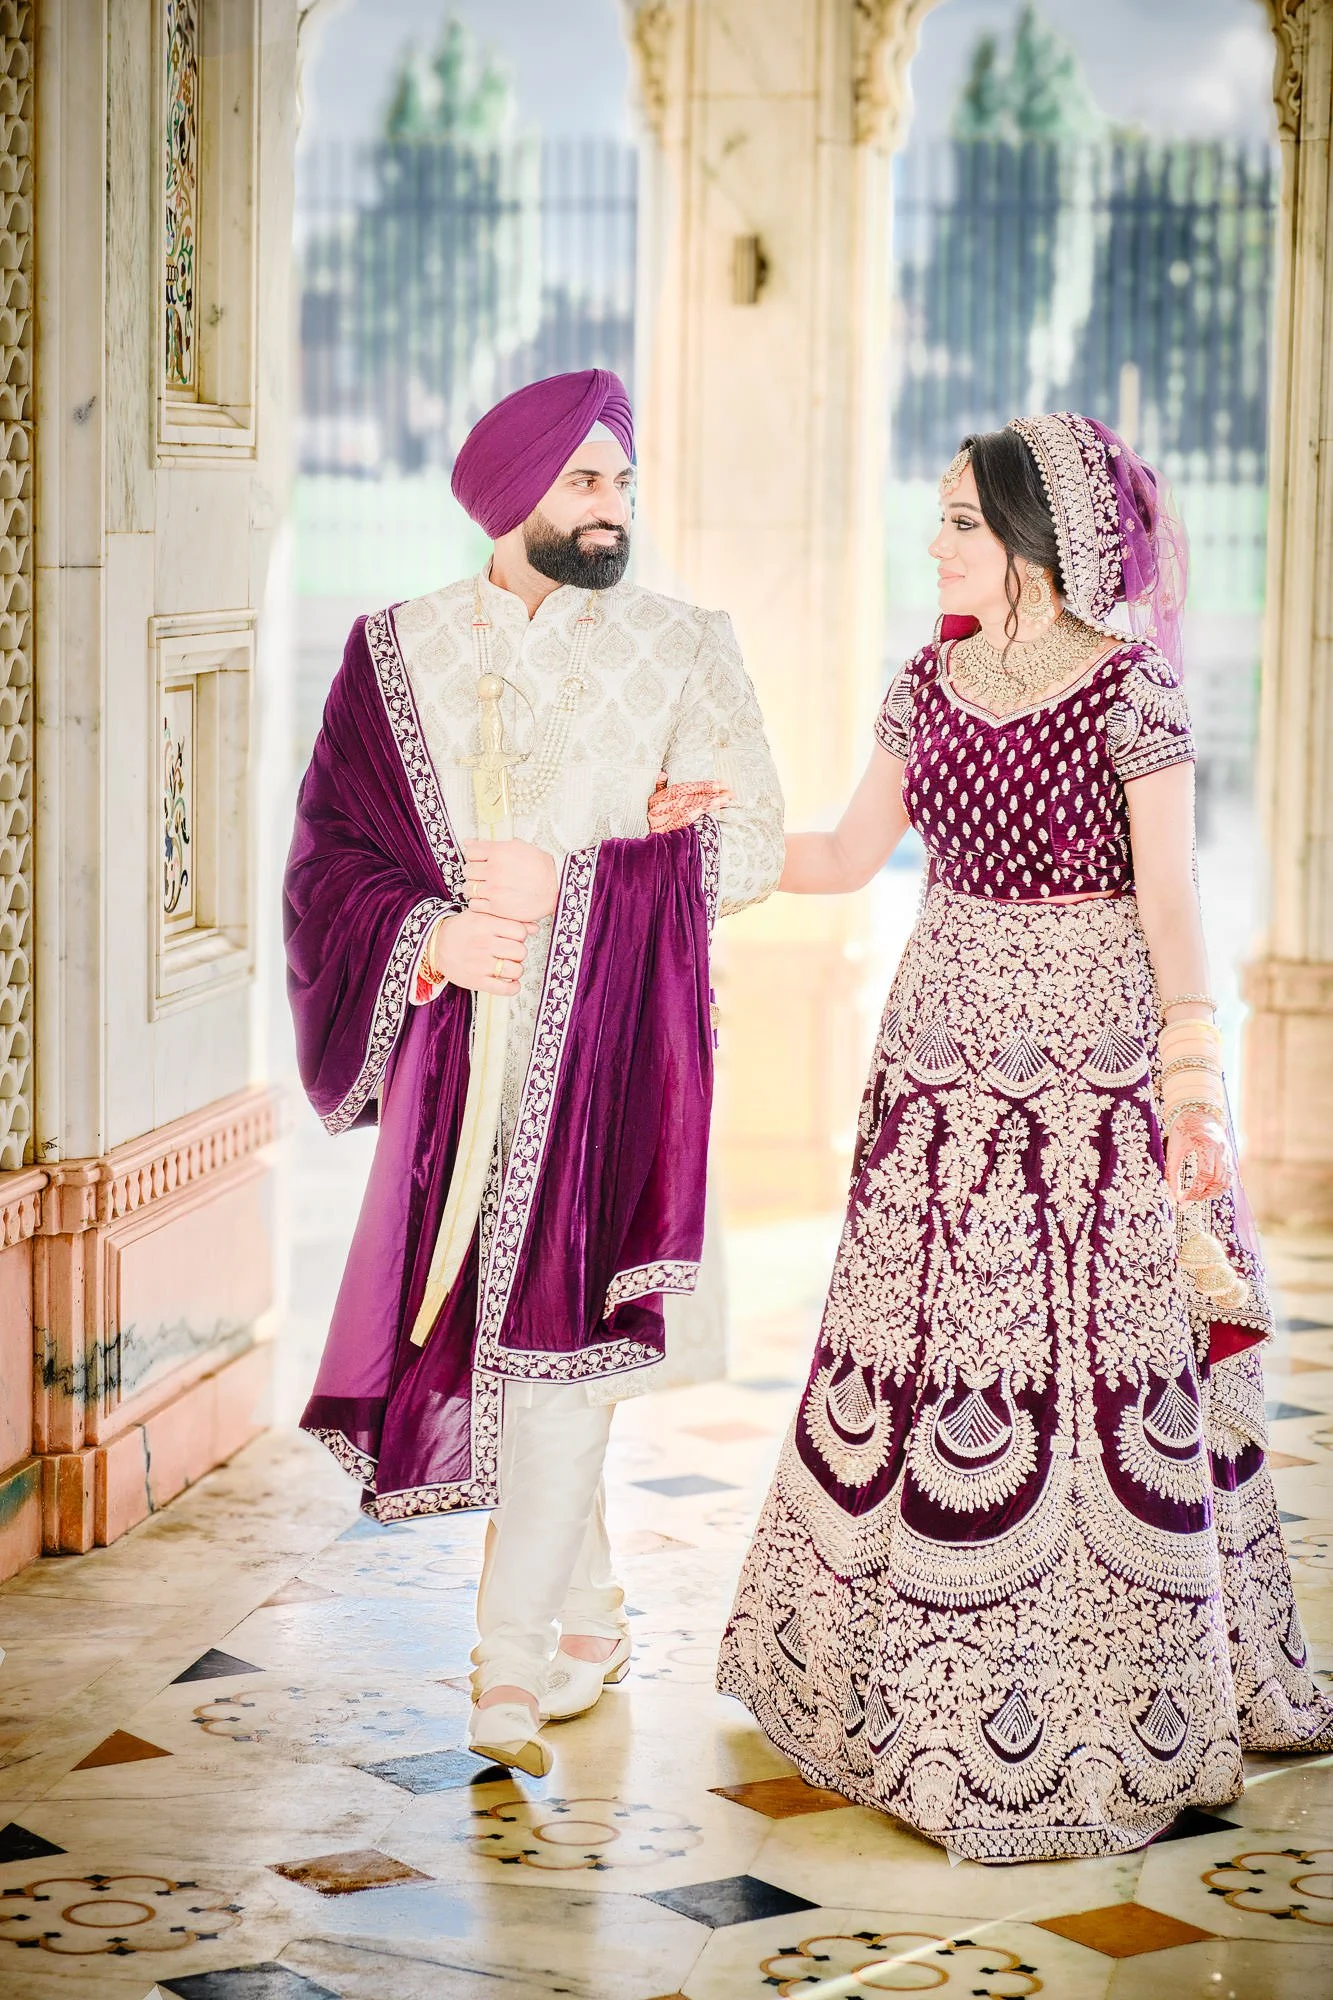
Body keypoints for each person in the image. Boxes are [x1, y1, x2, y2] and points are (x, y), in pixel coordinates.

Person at [716, 412, 1333, 1862]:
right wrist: (706, 845)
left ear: (1032, 550)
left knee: (1089, 1377)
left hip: (1094, 1082)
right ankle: (907, 1698)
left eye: (957, 521)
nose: (932, 543)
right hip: (941, 1074)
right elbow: (848, 856)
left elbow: (1173, 910)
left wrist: (1193, 1104)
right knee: (939, 1368)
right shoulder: (923, 683)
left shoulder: (1135, 694)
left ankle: (1109, 1703)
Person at [286, 369, 783, 1777]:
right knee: (524, 1351)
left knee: (558, 1356)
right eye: (586, 482)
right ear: (511, 501)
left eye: (623, 480)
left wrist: (574, 878)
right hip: (465, 1058)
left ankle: (501, 1679)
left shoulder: (687, 646)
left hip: (624, 1056)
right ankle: (595, 1617)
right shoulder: (398, 652)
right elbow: (333, 859)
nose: (616, 506)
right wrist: (436, 927)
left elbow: (743, 852)